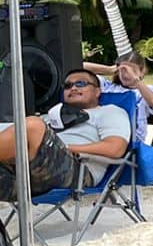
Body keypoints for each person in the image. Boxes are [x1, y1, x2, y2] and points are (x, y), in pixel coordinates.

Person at [0, 67, 132, 200]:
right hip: (26, 173)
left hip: (76, 172)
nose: (73, 88)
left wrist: (68, 148)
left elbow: (115, 148)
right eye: (68, 86)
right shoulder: (51, 115)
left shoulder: (110, 112)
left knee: (34, 126)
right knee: (30, 126)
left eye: (81, 83)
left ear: (97, 91)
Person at [85, 53, 153, 140]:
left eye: (132, 70)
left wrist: (136, 79)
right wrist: (109, 69)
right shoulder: (107, 86)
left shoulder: (146, 91)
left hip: (131, 142)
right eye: (122, 70)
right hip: (102, 135)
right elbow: (79, 67)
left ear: (142, 71)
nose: (126, 75)